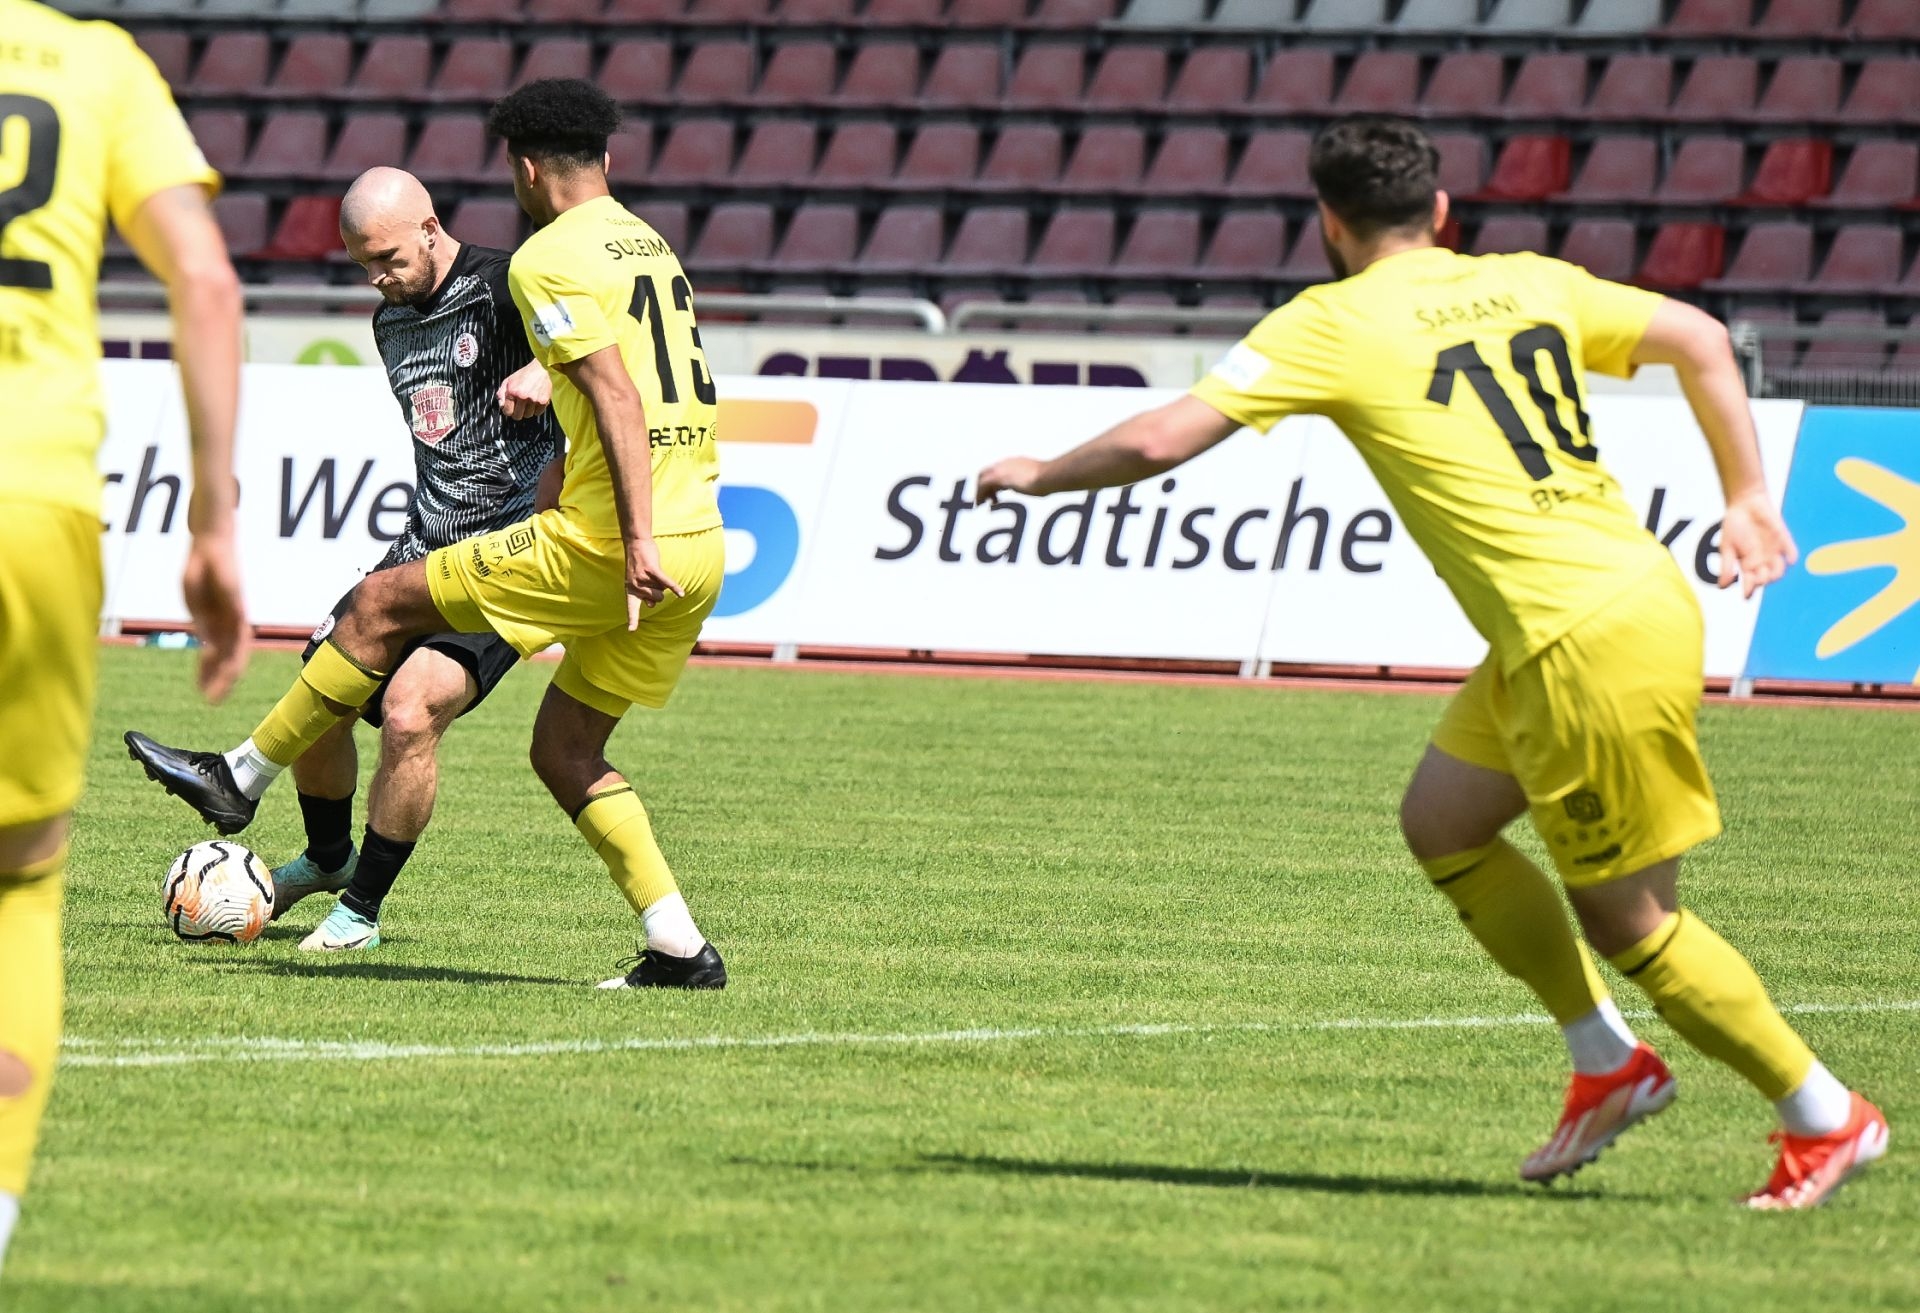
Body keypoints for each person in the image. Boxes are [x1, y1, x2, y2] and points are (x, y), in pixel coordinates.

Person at [975, 116, 1887, 1211]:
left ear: (1329, 221)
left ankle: (1825, 1115)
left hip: (1578, 633)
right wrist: (1745, 493)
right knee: (1444, 823)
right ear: (1442, 210)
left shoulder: (1329, 320)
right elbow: (1697, 334)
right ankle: (1607, 1061)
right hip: (1597, 608)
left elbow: (1162, 439)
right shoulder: (1527, 279)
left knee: (1631, 920)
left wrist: (1039, 473)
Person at [126, 78, 728, 990]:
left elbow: (611, 388)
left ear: (525, 171)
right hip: (698, 537)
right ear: (606, 157)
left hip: (607, 540)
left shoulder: (537, 262)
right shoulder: (650, 246)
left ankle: (246, 785)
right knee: (559, 749)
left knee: (382, 628)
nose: (376, 275)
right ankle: (681, 949)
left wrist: (624, 518)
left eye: (385, 255)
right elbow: (633, 370)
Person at [0, 0, 250, 1276]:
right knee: (20, 879)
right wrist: (212, 522)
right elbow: (203, 279)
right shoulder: (93, 61)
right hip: (34, 494)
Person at [273, 166, 565, 954]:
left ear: (431, 229)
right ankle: (327, 858)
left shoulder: (509, 285)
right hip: (423, 543)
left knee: (409, 712)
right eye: (362, 263)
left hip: (511, 551)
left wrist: (551, 364)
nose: (377, 276)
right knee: (316, 698)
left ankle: (360, 911)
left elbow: (613, 340)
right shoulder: (390, 322)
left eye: (388, 258)